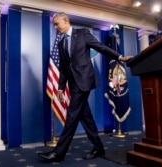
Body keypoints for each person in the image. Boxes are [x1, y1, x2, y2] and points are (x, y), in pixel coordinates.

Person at [38, 12, 133, 162]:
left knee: (72, 114)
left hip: (84, 81)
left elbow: (100, 47)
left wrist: (119, 57)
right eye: (54, 25)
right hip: (72, 83)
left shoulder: (82, 33)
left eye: (57, 24)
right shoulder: (61, 42)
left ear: (65, 21)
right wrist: (61, 88)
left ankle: (59, 152)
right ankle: (98, 147)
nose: (55, 27)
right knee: (85, 116)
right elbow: (63, 68)